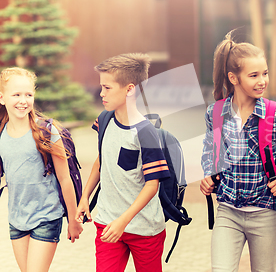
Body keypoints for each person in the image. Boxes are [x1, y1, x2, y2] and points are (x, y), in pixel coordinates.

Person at [200, 31, 276, 272]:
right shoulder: (215, 113)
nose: (262, 81)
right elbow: (210, 153)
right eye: (254, 75)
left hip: (266, 214)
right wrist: (208, 176)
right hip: (227, 212)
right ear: (233, 78)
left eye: (265, 73)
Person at [75, 53, 170, 272]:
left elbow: (152, 185)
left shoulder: (146, 132)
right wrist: (85, 198)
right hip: (108, 223)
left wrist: (123, 222)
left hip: (144, 229)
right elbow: (102, 160)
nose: (101, 93)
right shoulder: (104, 119)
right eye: (101, 87)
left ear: (129, 89)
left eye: (107, 88)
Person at [0, 67, 83, 272]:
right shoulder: (1, 133)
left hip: (46, 216)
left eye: (29, 94)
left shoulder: (47, 131)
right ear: (2, 98)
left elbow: (65, 179)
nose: (23, 100)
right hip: (17, 219)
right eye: (16, 94)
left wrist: (73, 220)